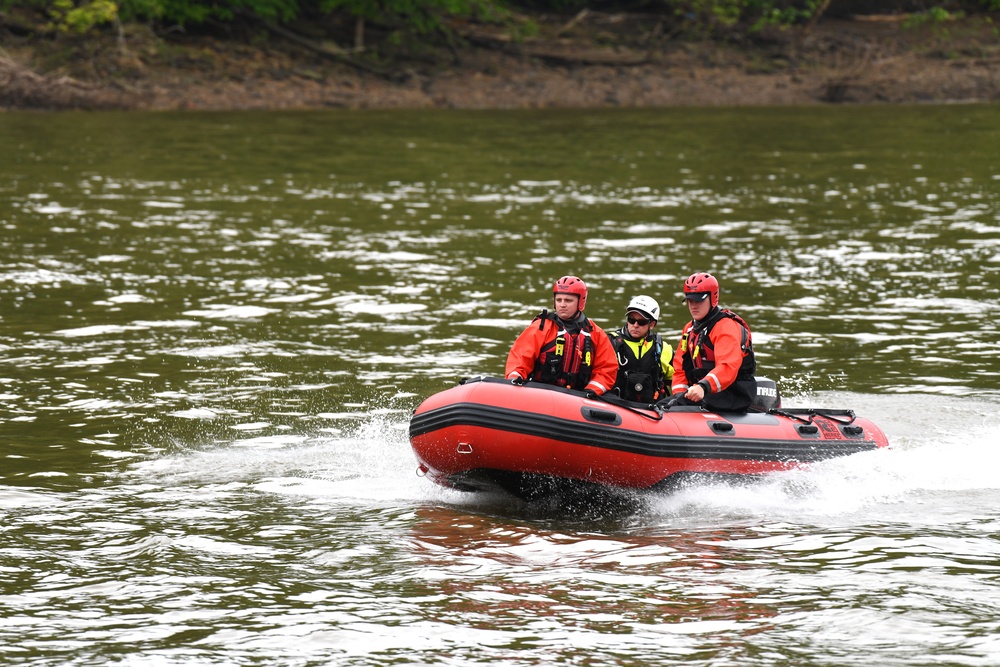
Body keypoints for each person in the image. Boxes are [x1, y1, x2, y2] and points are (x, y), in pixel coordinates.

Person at [505, 275, 618, 395]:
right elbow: (519, 359)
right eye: (559, 300)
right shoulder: (542, 327)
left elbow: (607, 369)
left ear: (580, 302)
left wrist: (591, 391)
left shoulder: (595, 333)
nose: (562, 305)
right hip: (541, 392)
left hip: (580, 396)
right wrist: (514, 378)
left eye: (568, 300)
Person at [670, 272, 757, 412]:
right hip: (704, 391)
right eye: (690, 301)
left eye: (699, 301)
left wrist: (703, 386)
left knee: (676, 407)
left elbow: (728, 366)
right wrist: (680, 395)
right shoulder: (689, 329)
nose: (693, 306)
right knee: (666, 405)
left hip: (733, 393)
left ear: (713, 298)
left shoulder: (726, 326)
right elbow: (680, 368)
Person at [607, 295, 674, 403]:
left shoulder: (663, 348)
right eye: (631, 320)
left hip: (653, 410)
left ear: (652, 324)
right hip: (617, 407)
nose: (635, 325)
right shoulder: (610, 343)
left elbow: (678, 379)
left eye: (641, 322)